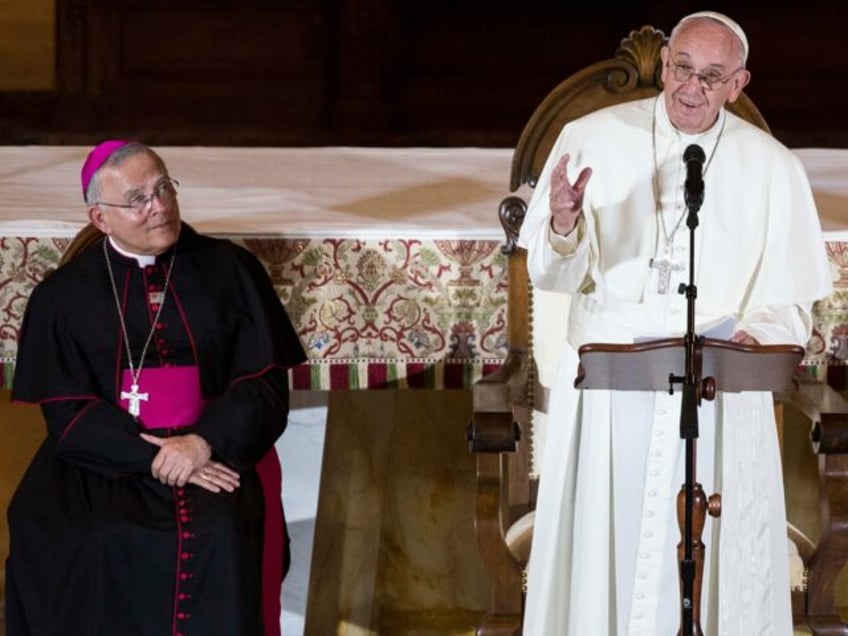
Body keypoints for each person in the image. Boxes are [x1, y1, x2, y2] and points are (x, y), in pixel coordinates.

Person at [519, 11, 833, 636]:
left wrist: (755, 335)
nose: (691, 88)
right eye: (682, 69)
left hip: (716, 399)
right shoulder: (591, 137)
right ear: (664, 66)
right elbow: (551, 277)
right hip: (610, 398)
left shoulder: (772, 168)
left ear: (738, 84)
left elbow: (791, 302)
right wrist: (561, 225)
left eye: (711, 77)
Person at [5, 140, 307, 635]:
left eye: (163, 187)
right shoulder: (64, 295)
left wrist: (201, 443)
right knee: (90, 536)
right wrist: (152, 456)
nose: (159, 207)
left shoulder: (229, 269)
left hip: (213, 449)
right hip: (105, 458)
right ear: (100, 217)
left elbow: (264, 386)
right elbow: (68, 413)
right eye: (138, 199)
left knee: (223, 532)